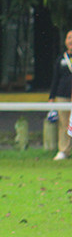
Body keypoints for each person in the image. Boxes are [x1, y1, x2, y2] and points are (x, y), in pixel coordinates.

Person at [49, 29, 72, 161]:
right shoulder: (60, 59)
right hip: (63, 95)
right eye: (69, 38)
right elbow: (55, 79)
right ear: (65, 41)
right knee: (64, 124)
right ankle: (64, 150)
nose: (71, 41)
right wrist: (51, 97)